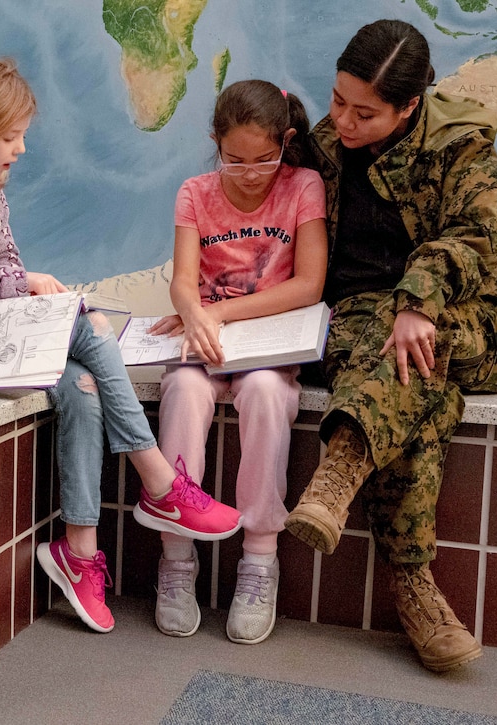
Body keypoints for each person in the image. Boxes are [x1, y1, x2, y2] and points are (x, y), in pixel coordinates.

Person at [0, 56, 243, 635]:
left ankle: (80, 551)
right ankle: (159, 480)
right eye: (10, 137)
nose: (19, 149)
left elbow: (1, 261)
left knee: (81, 383)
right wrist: (16, 288)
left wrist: (2, 288)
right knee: (86, 326)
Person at [285, 19, 497, 672]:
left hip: (474, 324)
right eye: (337, 100)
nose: (344, 121)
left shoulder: (460, 141)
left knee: (416, 347)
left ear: (410, 106)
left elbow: (479, 233)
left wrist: (417, 300)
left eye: (365, 112)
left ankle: (343, 465)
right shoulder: (325, 145)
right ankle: (415, 589)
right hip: (360, 327)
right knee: (420, 383)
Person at [146, 81, 328, 644]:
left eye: (264, 159)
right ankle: (177, 556)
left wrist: (220, 313)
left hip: (268, 346)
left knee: (269, 396)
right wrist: (194, 313)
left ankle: (259, 555)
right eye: (235, 160)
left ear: (287, 142)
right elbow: (181, 282)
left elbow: (309, 284)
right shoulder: (195, 192)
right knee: (184, 393)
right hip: (206, 343)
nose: (250, 173)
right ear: (214, 144)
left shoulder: (303, 186)